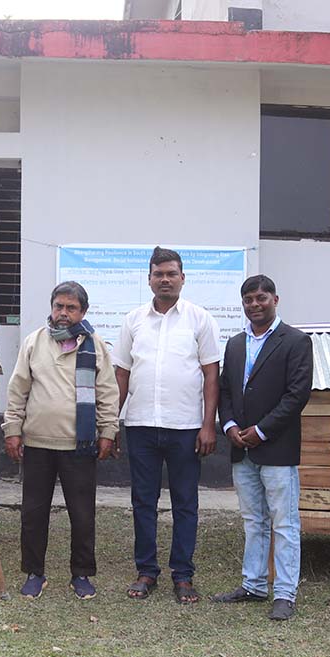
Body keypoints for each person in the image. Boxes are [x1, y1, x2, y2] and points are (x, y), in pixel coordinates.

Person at [114, 246, 220, 604]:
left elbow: (211, 374)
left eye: (171, 273)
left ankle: (183, 575)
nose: (165, 280)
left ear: (182, 278)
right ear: (149, 279)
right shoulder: (133, 320)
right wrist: (111, 422)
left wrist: (209, 425)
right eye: (158, 274)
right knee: (143, 501)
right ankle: (146, 571)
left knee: (185, 503)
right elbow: (122, 373)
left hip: (186, 427)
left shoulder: (199, 318)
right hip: (141, 425)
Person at [3, 281, 119, 600]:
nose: (64, 313)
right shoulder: (34, 342)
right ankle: (34, 573)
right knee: (33, 513)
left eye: (71, 307)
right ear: (51, 308)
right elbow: (18, 390)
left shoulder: (95, 344)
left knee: (82, 515)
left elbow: (108, 392)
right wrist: (12, 429)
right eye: (59, 306)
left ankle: (81, 574)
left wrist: (107, 432)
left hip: (79, 446)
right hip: (38, 443)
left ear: (83, 311)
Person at [212, 275, 313, 621]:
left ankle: (284, 592)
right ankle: (253, 584)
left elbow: (296, 395)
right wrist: (229, 427)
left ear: (275, 299)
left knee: (284, 523)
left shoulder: (296, 341)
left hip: (277, 449)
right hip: (241, 448)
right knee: (253, 521)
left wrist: (262, 430)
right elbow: (225, 391)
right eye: (248, 299)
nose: (255, 304)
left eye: (261, 298)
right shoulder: (236, 344)